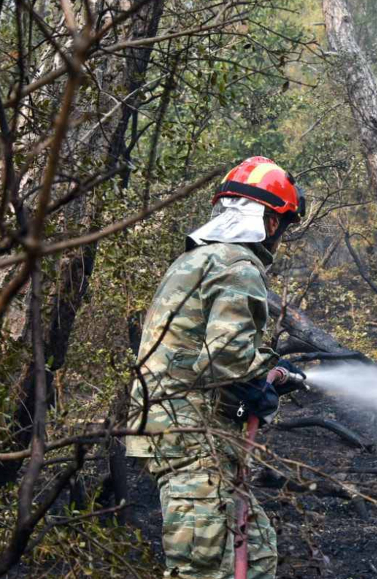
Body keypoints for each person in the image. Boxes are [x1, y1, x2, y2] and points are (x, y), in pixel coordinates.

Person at [125, 156, 308, 579]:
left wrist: (261, 379)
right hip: (186, 430)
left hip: (176, 423)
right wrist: (265, 374)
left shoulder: (198, 260)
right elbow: (226, 358)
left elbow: (200, 352)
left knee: (256, 551)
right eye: (284, 225)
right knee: (205, 565)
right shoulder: (238, 266)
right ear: (272, 223)